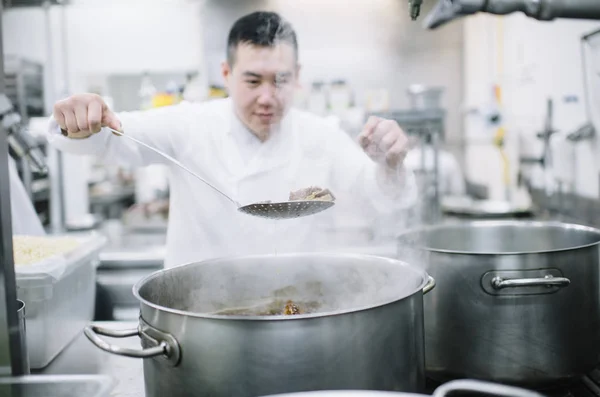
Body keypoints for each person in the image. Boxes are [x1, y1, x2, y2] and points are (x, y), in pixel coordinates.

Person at [46, 11, 417, 268]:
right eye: (253, 81)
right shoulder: (189, 123)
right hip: (202, 317)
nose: (268, 97)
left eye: (281, 80)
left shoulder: (321, 134)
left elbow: (381, 197)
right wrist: (81, 120)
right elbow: (112, 139)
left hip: (296, 306)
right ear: (226, 73)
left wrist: (391, 162)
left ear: (298, 75)